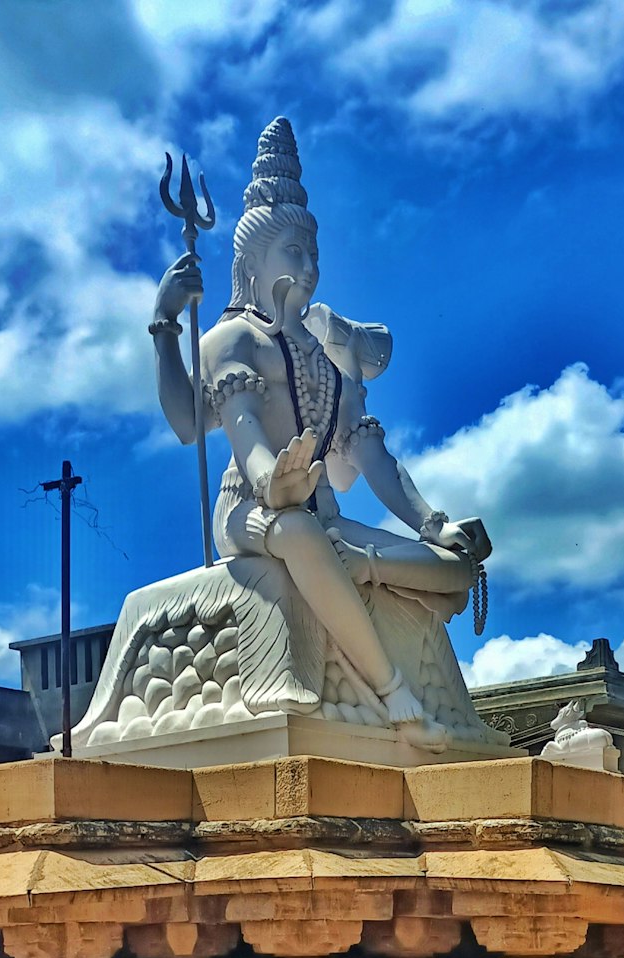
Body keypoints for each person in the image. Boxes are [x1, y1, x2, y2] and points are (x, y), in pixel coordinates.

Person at [148, 117, 489, 744]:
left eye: (313, 256)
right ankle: (395, 695)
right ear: (254, 261)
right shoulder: (233, 339)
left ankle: (359, 570)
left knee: (453, 568)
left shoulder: (330, 356)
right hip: (250, 510)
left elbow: (369, 454)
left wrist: (432, 523)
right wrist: (166, 325)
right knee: (297, 529)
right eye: (292, 254)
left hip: (324, 514)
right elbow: (202, 426)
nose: (306, 269)